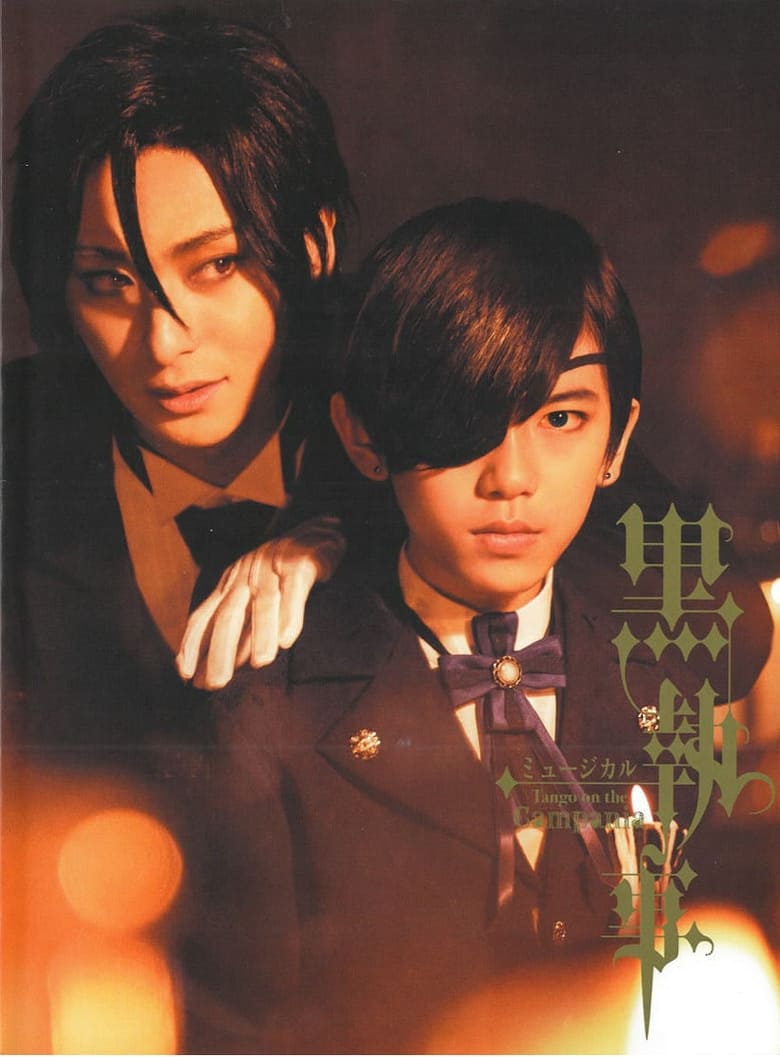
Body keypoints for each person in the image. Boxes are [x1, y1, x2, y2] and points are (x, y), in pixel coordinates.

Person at [169, 198, 758, 1052]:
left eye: (561, 418)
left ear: (617, 441)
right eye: (461, 419)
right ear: (361, 436)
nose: (511, 478)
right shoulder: (266, 699)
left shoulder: (672, 645)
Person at [3, 9, 352, 752]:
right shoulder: (16, 450)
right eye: (108, 282)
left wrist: (357, 536)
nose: (163, 342)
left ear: (315, 244)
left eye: (217, 264)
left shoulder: (407, 399)